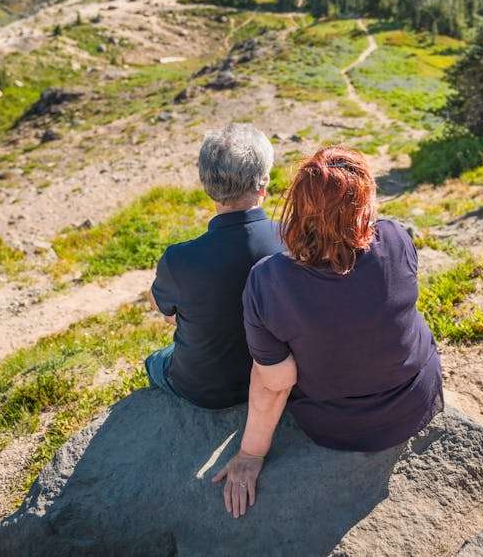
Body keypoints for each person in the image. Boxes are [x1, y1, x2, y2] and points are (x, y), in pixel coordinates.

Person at [213, 146, 444, 518]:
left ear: (298, 209)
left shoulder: (269, 280)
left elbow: (275, 383)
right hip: (415, 401)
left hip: (338, 427)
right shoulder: (396, 238)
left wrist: (250, 454)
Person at [145, 124, 285, 409]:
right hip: (278, 378)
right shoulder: (292, 239)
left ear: (207, 185)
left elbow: (160, 306)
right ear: (264, 182)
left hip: (206, 391)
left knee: (154, 361)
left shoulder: (179, 260)